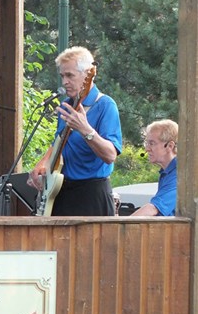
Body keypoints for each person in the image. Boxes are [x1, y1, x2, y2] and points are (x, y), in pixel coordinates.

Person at [28, 46, 122, 216]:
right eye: (62, 76)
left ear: (87, 76)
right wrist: (43, 163)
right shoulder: (67, 105)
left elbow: (110, 155)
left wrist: (85, 129)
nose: (64, 82)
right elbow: (59, 142)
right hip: (61, 192)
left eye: (70, 75)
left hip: (92, 195)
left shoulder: (105, 105)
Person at [131, 119, 178, 216]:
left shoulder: (180, 174)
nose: (147, 149)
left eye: (152, 143)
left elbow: (153, 209)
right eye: (147, 143)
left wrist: (121, 226)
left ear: (170, 146)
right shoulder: (166, 172)